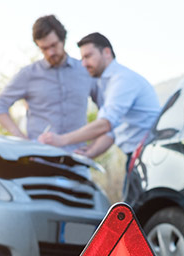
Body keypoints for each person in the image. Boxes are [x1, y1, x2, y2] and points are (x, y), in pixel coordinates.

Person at [38, 32, 160, 162]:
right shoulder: (107, 83)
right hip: (138, 154)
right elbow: (112, 131)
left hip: (150, 155)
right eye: (82, 59)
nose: (84, 64)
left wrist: (61, 139)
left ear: (107, 52)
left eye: (88, 56)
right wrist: (91, 151)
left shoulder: (123, 80)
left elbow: (105, 124)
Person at [0, 15, 93, 152]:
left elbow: (107, 113)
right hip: (40, 159)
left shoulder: (85, 70)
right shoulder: (28, 74)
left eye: (53, 45)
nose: (50, 53)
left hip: (77, 160)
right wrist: (22, 140)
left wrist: (93, 148)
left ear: (63, 40)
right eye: (44, 48)